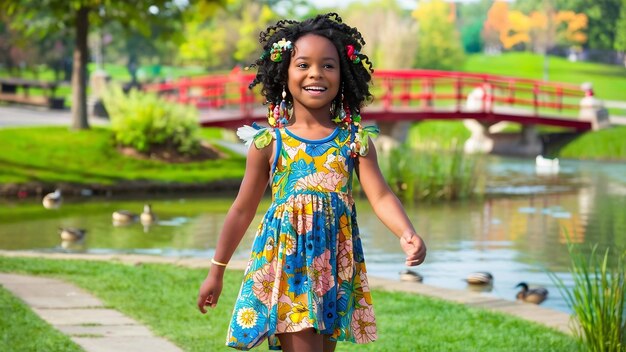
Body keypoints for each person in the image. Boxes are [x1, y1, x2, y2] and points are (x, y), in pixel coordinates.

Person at [197, 13, 427, 352]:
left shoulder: (355, 141)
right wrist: (216, 271)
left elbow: (380, 196)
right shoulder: (269, 143)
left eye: (328, 66)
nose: (316, 73)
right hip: (289, 266)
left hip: (334, 266)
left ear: (344, 75)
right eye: (303, 64)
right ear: (284, 73)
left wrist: (406, 232)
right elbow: (241, 209)